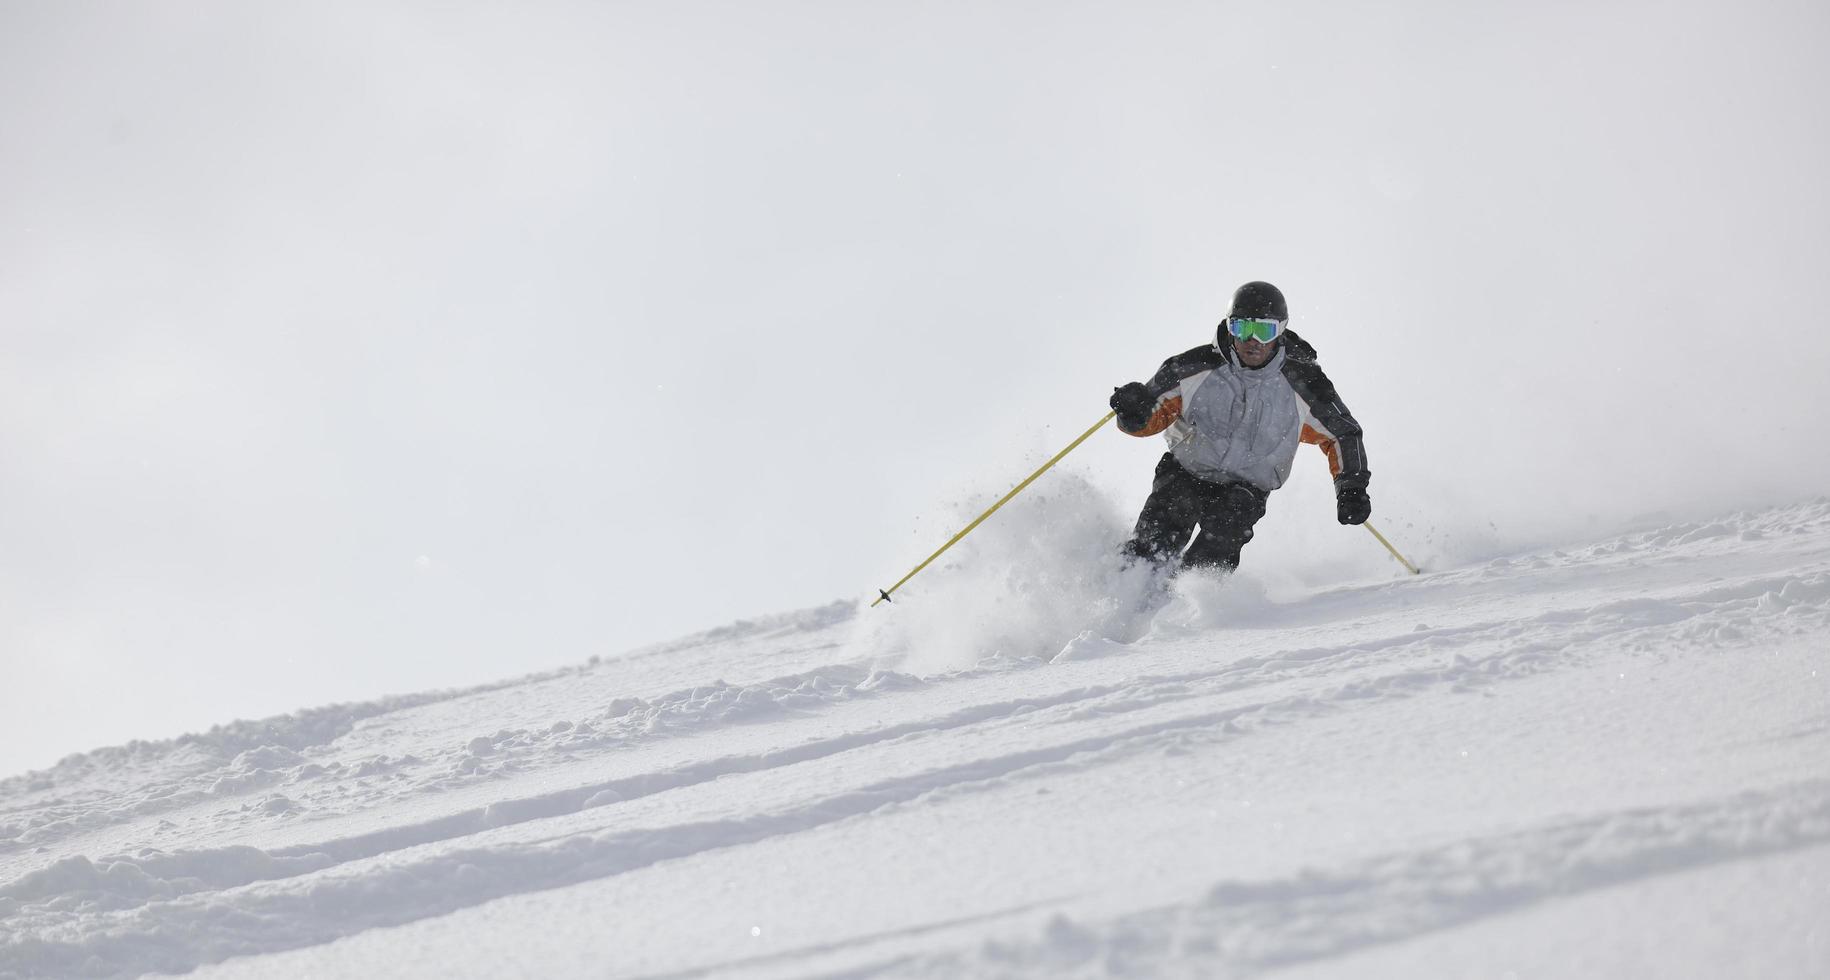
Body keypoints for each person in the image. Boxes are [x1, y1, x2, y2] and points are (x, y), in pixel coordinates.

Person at [1108, 281, 1370, 574]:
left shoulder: (1304, 385)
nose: (1253, 340)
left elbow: (1342, 433)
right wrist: (1133, 412)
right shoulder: (1194, 368)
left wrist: (1351, 488)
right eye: (1243, 329)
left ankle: (1190, 600)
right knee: (1159, 533)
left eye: (1265, 330)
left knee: (1224, 531)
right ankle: (1124, 586)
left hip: (1246, 487)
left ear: (1281, 331)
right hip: (1186, 472)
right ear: (1229, 328)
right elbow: (1149, 416)